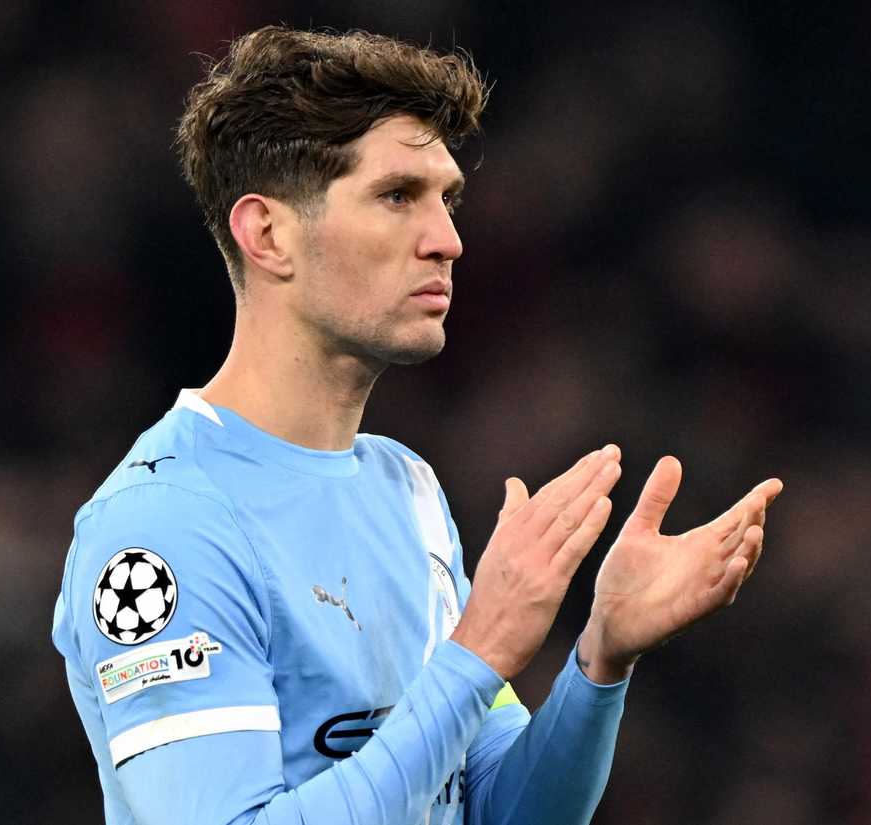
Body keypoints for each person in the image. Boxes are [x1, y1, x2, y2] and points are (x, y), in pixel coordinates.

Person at [50, 26, 783, 825]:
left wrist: (600, 659)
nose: (448, 240)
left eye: (447, 199)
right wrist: (475, 656)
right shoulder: (165, 526)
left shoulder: (406, 488)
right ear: (267, 234)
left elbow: (503, 810)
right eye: (398, 195)